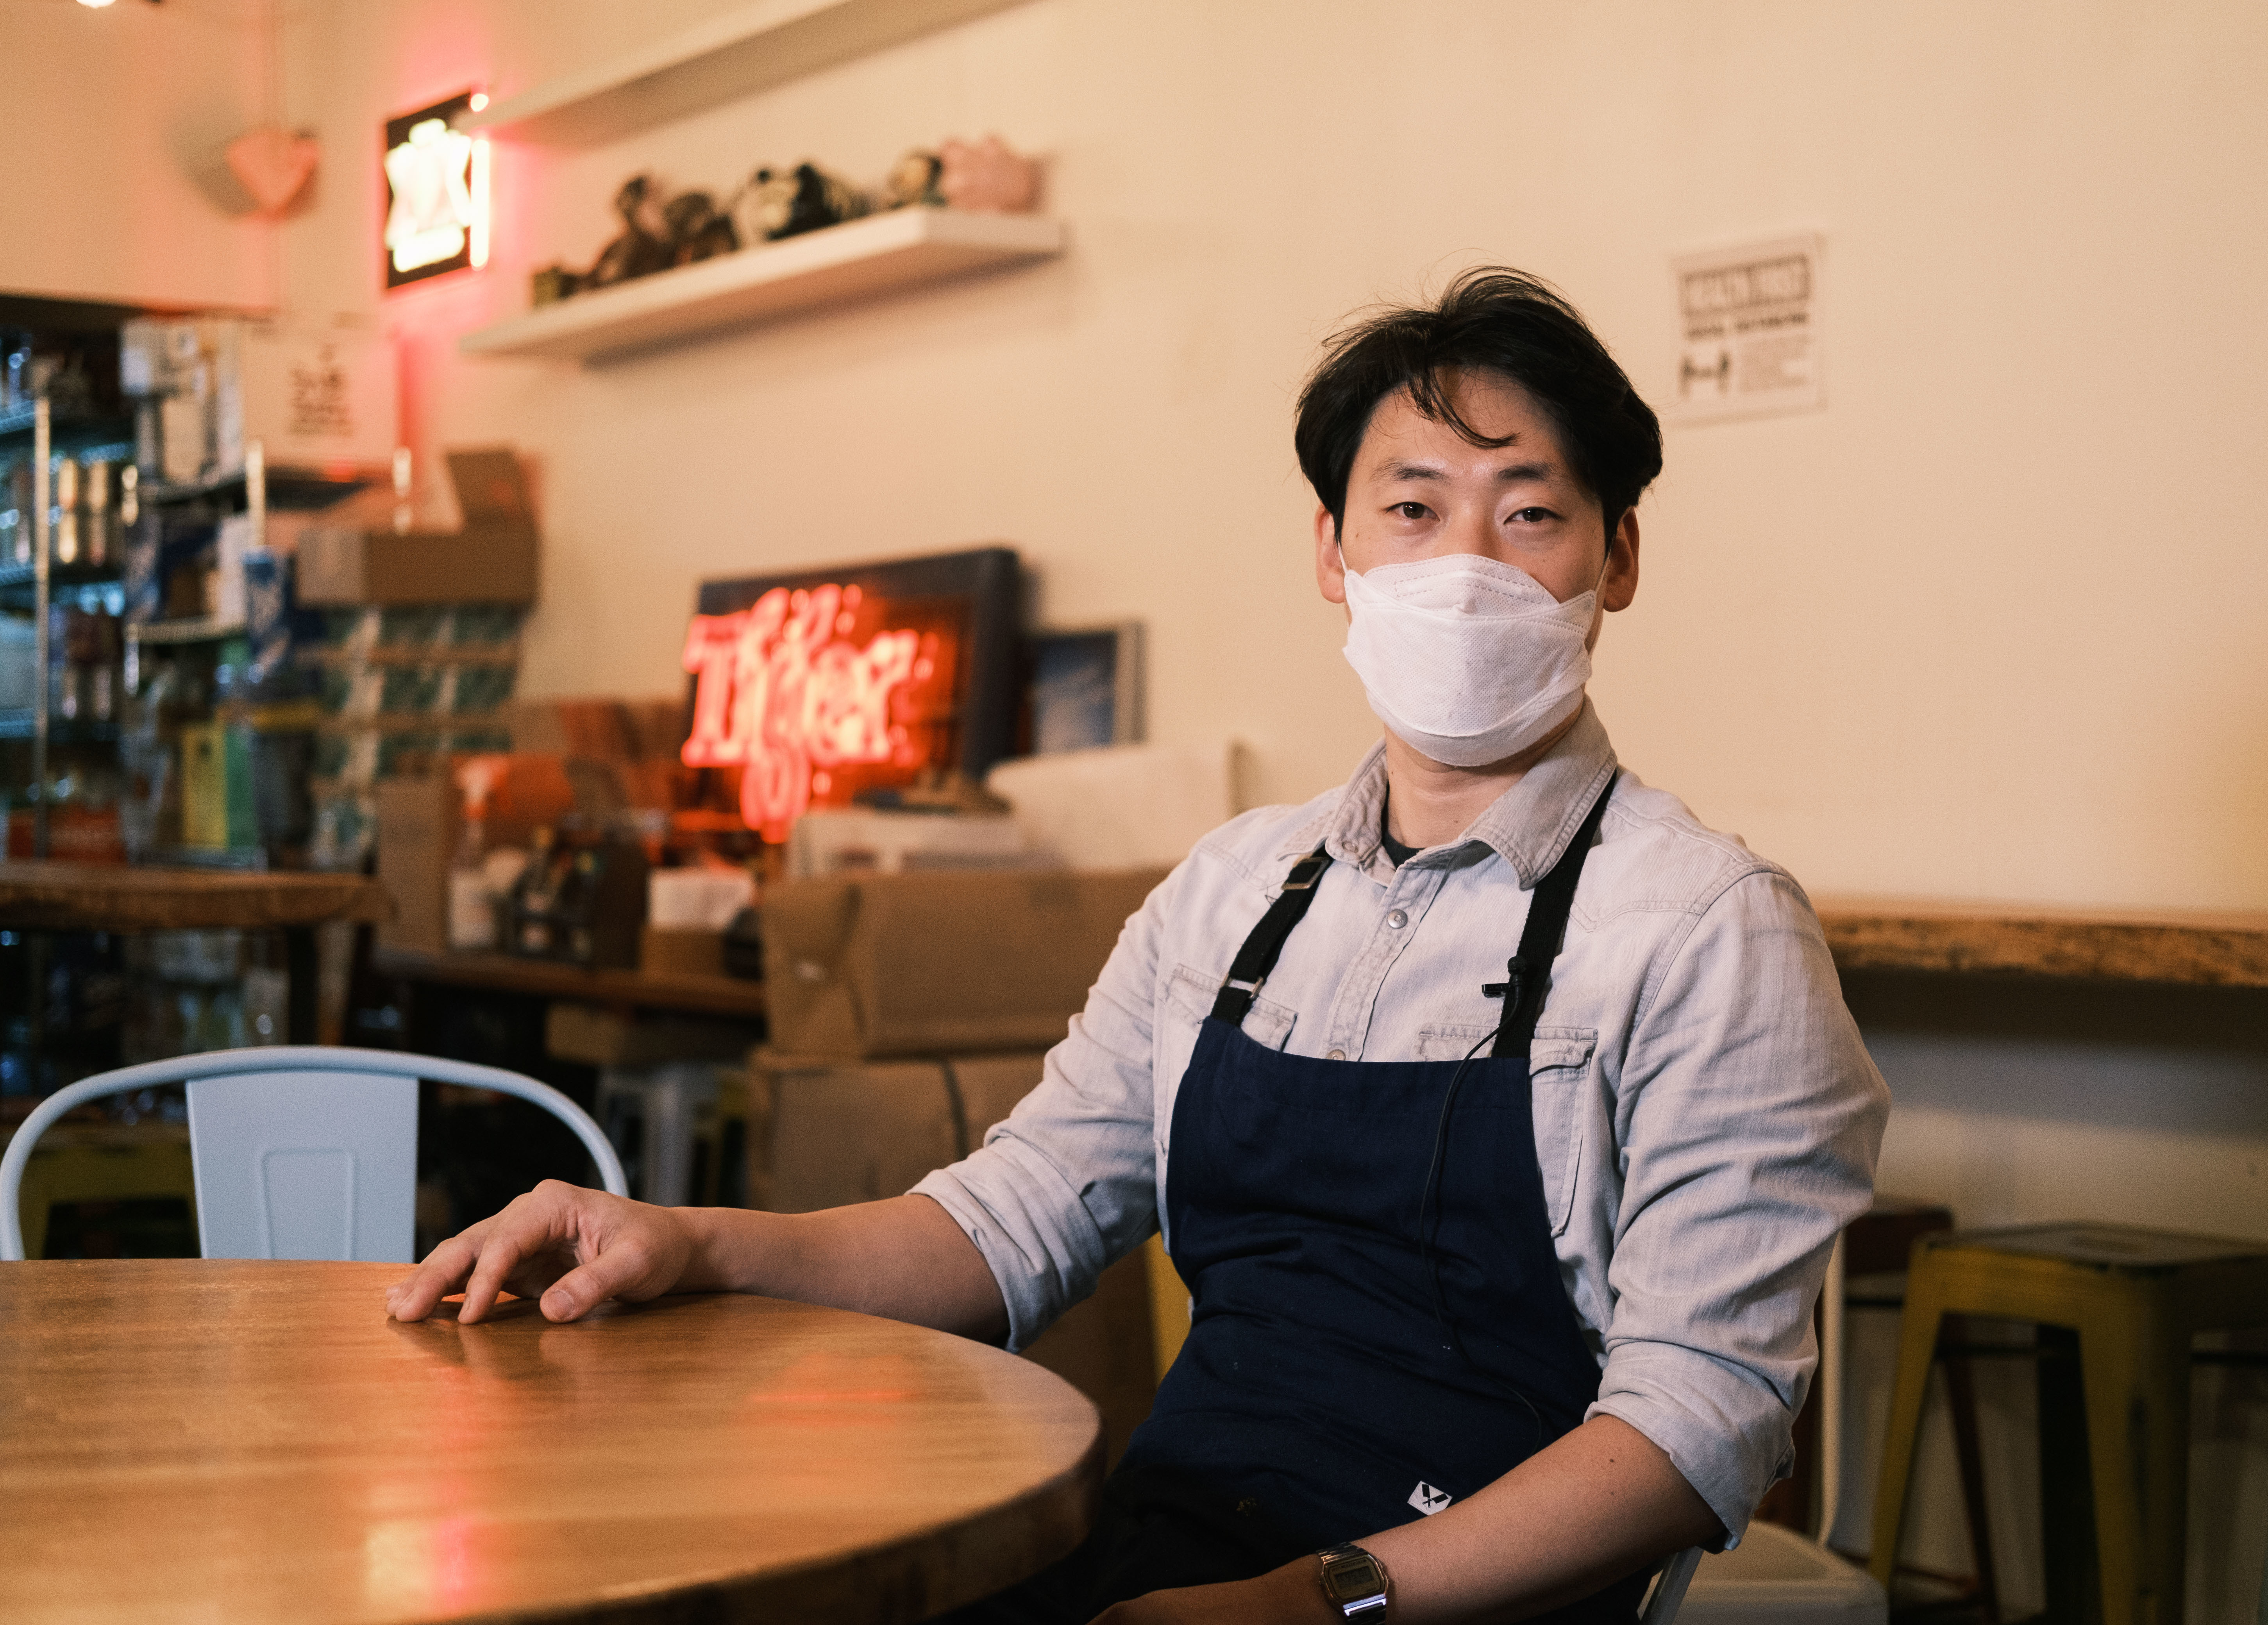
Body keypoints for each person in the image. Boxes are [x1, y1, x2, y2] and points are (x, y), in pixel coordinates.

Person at [389, 268, 1889, 1625]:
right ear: (1334, 553)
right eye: (1414, 509)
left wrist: (1324, 1603)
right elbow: (1016, 1221)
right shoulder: (1232, 892)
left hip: (1446, 1605)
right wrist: (702, 1242)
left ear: (1619, 559)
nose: (1467, 565)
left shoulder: (1709, 932)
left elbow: (1701, 1425)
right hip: (1158, 1556)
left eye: (1533, 512)